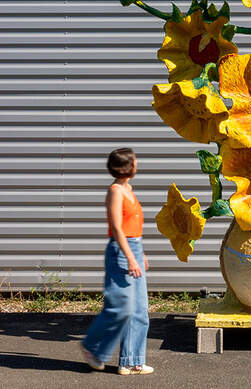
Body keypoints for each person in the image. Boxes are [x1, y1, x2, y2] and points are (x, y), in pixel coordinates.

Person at [80, 147, 153, 375]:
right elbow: (117, 228)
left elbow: (133, 228)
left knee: (140, 310)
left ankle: (131, 361)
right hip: (121, 251)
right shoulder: (115, 192)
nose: (137, 163)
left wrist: (140, 254)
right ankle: (92, 348)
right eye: (135, 160)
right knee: (121, 308)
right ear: (128, 166)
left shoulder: (128, 189)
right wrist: (131, 257)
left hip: (134, 248)